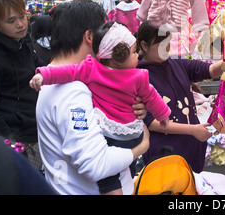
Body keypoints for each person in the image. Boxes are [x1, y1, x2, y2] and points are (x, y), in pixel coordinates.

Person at [30, 21, 171, 195]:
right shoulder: (139, 77)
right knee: (123, 169)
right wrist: (163, 116)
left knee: (108, 178)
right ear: (120, 56)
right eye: (135, 52)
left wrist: (44, 75)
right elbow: (152, 97)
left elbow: (68, 72)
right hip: (132, 136)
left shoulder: (91, 69)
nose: (138, 56)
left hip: (108, 135)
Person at [136, 21, 223, 172]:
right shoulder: (138, 76)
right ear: (144, 45)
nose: (167, 48)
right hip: (164, 154)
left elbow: (210, 70)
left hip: (192, 150)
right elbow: (152, 122)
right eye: (161, 44)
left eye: (168, 43)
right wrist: (192, 130)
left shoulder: (176, 63)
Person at [0, 0, 46, 170]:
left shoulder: (24, 42)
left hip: (35, 129)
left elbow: (41, 67)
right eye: (11, 21)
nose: (20, 24)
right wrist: (9, 143)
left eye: (22, 16)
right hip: (15, 140)